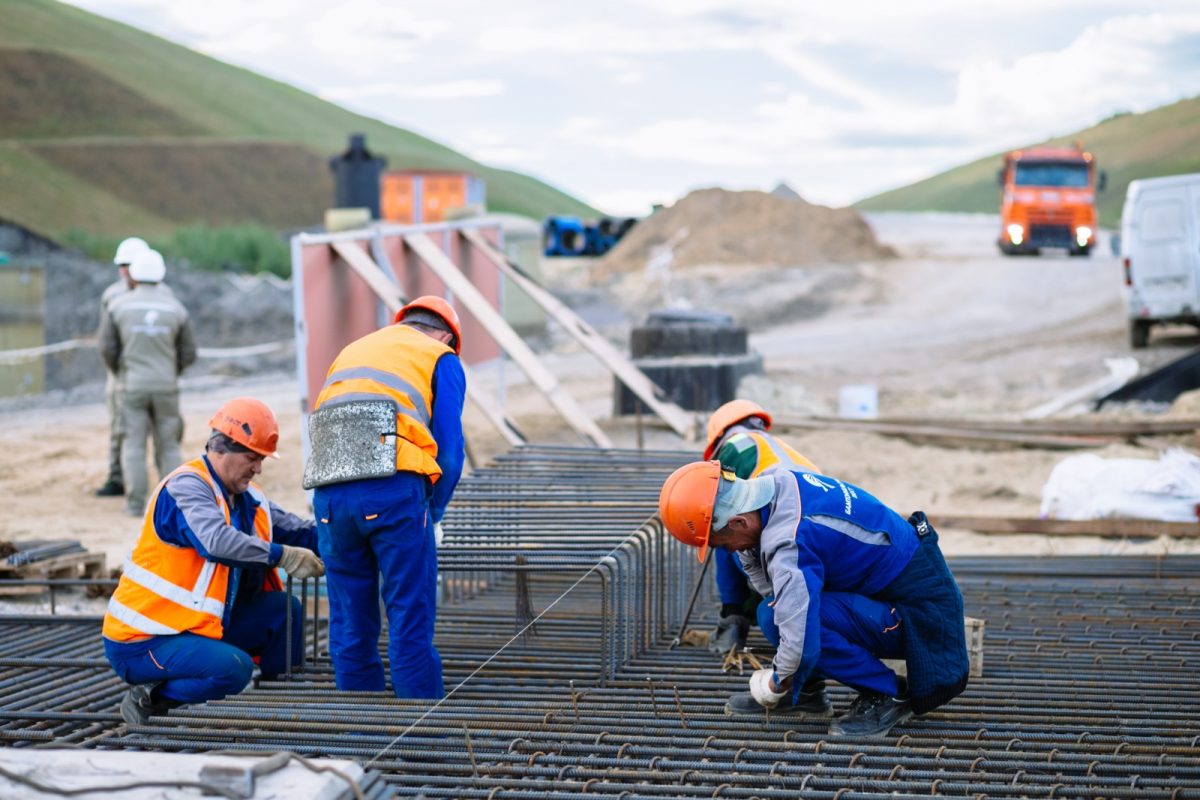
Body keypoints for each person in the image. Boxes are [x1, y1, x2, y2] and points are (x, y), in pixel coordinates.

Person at [658, 460, 969, 737]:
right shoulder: (775, 482)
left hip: (920, 614)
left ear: (739, 522)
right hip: (890, 592)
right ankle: (806, 692)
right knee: (774, 614)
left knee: (798, 625)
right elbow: (777, 593)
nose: (725, 551)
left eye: (720, 542)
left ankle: (889, 694)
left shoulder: (790, 540)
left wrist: (776, 682)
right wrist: (791, 670)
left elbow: (799, 630)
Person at [102, 398, 325, 725]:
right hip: (144, 639)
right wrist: (282, 555)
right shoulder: (186, 487)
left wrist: (348, 535)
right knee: (234, 668)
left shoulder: (248, 498)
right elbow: (215, 541)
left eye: (261, 459)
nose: (258, 468)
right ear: (221, 449)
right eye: (252, 457)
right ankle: (151, 697)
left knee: (284, 610)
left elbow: (297, 530)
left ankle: (280, 703)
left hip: (196, 626)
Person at [306, 295, 466, 698]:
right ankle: (422, 742)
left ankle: (363, 735)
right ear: (446, 335)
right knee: (408, 618)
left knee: (349, 623)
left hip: (329, 495)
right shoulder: (439, 356)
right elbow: (449, 451)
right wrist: (436, 511)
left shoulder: (353, 350)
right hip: (392, 489)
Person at [702, 400, 819, 655]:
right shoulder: (783, 448)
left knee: (724, 532)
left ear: (720, 435)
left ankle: (733, 621)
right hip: (815, 540)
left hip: (784, 533)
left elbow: (720, 500)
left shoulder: (736, 444)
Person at [99, 248, 196, 516]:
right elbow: (189, 352)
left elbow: (107, 348)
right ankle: (174, 505)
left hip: (132, 386)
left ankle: (135, 505)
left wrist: (121, 371)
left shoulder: (118, 306)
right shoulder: (176, 308)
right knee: (169, 445)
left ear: (135, 274)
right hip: (166, 386)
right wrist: (171, 370)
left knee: (133, 444)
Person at [95, 236, 150, 497]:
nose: (124, 269)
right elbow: (107, 341)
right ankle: (117, 477)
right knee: (119, 427)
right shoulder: (112, 296)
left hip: (146, 373)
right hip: (119, 374)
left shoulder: (158, 294)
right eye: (121, 264)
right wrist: (117, 371)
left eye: (129, 264)